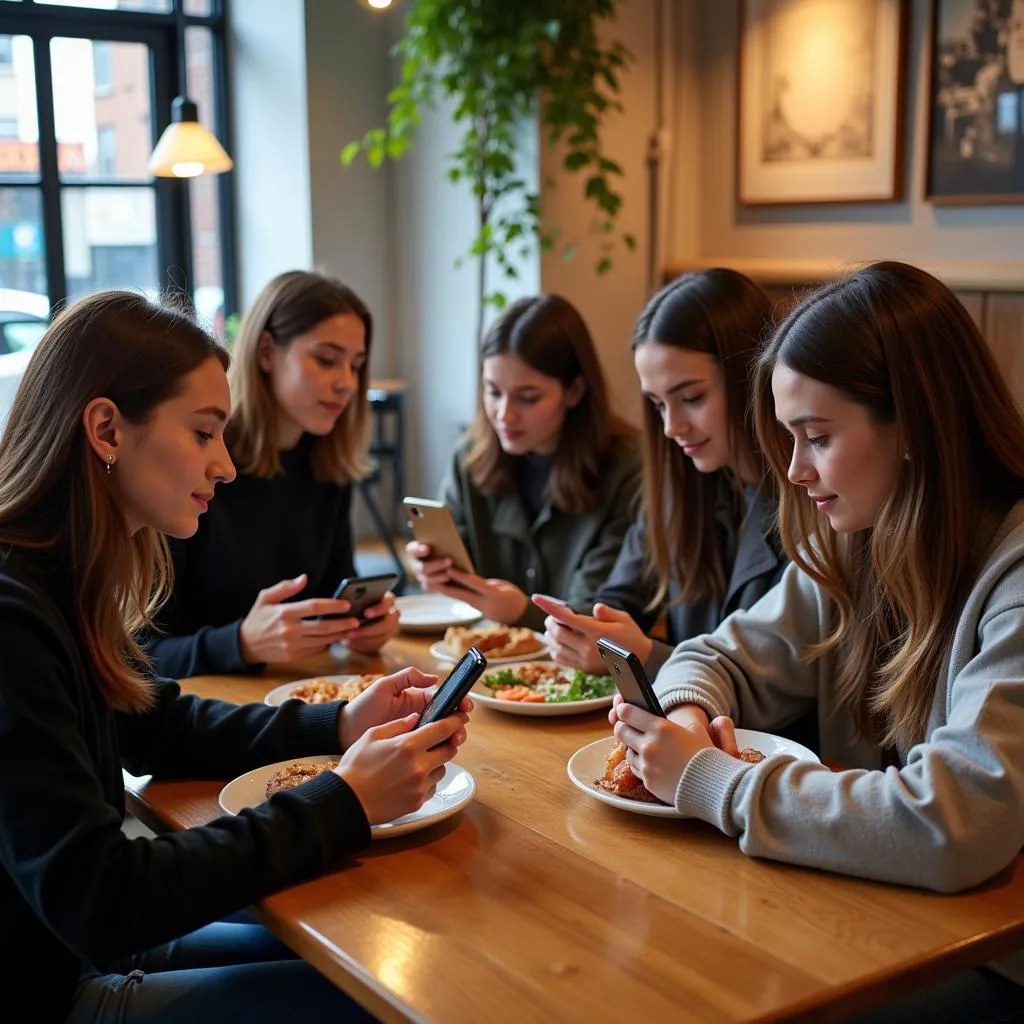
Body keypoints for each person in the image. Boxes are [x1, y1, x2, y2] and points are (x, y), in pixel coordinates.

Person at [0, 292, 471, 1023]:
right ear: (105, 429)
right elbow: (105, 899)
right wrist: (342, 800)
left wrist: (339, 725)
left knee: (374, 941)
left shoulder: (57, 582)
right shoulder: (12, 614)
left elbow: (157, 720)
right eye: (203, 434)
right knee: (388, 998)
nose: (224, 466)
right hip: (58, 983)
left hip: (69, 946)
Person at [612, 262, 1024, 1020]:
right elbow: (716, 655)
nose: (795, 472)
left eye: (818, 438)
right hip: (877, 916)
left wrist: (713, 782)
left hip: (995, 959)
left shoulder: (1015, 577)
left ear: (916, 426)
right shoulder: (853, 545)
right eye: (789, 440)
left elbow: (955, 821)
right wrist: (687, 716)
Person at [147, 271, 399, 678]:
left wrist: (357, 626)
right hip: (199, 712)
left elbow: (332, 594)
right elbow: (135, 655)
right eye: (326, 359)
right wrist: (240, 643)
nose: (346, 383)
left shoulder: (327, 467)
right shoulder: (195, 462)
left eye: (356, 365)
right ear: (266, 352)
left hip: (293, 694)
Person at [536, 269, 786, 678]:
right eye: (657, 404)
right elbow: (619, 597)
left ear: (752, 376)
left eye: (691, 398)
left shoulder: (815, 501)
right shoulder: (681, 484)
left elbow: (776, 688)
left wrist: (648, 656)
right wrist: (580, 625)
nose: (671, 427)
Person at [406, 293, 641, 631]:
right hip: (483, 659)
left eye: (528, 397)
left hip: (584, 670)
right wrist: (430, 568)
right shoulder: (470, 457)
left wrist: (522, 612)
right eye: (492, 391)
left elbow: (603, 609)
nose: (504, 414)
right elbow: (451, 572)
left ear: (574, 392)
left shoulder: (627, 469)